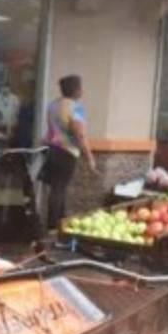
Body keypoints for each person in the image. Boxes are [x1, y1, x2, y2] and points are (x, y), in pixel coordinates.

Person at [41, 74, 96, 231]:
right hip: (67, 152)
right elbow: (80, 134)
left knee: (56, 187)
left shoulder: (53, 105)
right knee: (60, 188)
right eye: (81, 87)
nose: (83, 90)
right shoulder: (76, 108)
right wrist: (89, 157)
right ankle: (54, 225)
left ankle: (58, 221)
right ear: (77, 90)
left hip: (51, 149)